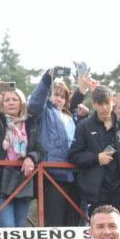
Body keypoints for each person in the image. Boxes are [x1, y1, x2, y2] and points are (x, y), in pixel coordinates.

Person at [0, 83, 41, 235]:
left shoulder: (30, 123)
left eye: (15, 99)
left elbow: (39, 149)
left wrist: (31, 158)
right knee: (8, 226)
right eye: (7, 100)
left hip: (23, 179)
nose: (11, 103)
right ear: (1, 104)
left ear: (21, 103)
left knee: (20, 228)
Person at [69, 85, 120, 215]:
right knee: (99, 226)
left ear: (113, 101)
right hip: (96, 193)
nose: (104, 108)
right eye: (100, 104)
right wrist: (96, 158)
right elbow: (74, 156)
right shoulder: (84, 126)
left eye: (107, 103)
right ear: (94, 104)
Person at [30, 66, 80, 227]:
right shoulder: (44, 112)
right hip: (51, 175)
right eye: (55, 95)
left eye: (62, 96)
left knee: (72, 224)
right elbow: (35, 103)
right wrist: (47, 79)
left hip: (72, 175)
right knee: (54, 224)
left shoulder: (71, 118)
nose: (58, 99)